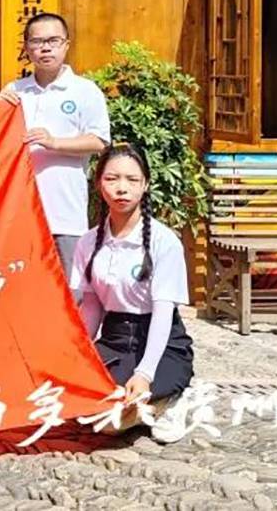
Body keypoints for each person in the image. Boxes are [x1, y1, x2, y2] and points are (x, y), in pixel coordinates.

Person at [70, 144, 195, 443]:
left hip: (160, 342)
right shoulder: (88, 243)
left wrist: (145, 374)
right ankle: (145, 408)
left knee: (114, 419)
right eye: (112, 179)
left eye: (132, 180)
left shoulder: (164, 242)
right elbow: (92, 307)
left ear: (145, 185)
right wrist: (80, 355)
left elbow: (163, 314)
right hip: (114, 340)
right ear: (98, 183)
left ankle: (172, 400)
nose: (121, 188)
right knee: (89, 413)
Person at [0, 13, 111, 273]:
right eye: (37, 41)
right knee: (22, 285)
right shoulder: (14, 90)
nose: (45, 48)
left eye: (53, 41)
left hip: (65, 213)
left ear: (66, 45)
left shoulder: (85, 90)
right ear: (26, 48)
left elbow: (99, 140)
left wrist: (54, 142)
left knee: (70, 287)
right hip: (18, 212)